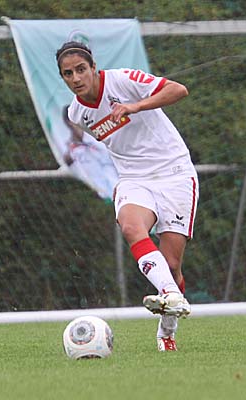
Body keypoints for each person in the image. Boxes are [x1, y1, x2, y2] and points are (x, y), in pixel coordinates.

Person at [56, 41, 198, 352]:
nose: (76, 78)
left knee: (171, 264)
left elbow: (178, 90)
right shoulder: (77, 114)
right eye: (68, 73)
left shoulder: (122, 80)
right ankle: (170, 294)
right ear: (63, 77)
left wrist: (136, 106)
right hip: (134, 179)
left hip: (175, 173)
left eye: (81, 69)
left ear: (94, 68)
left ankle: (167, 331)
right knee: (132, 227)